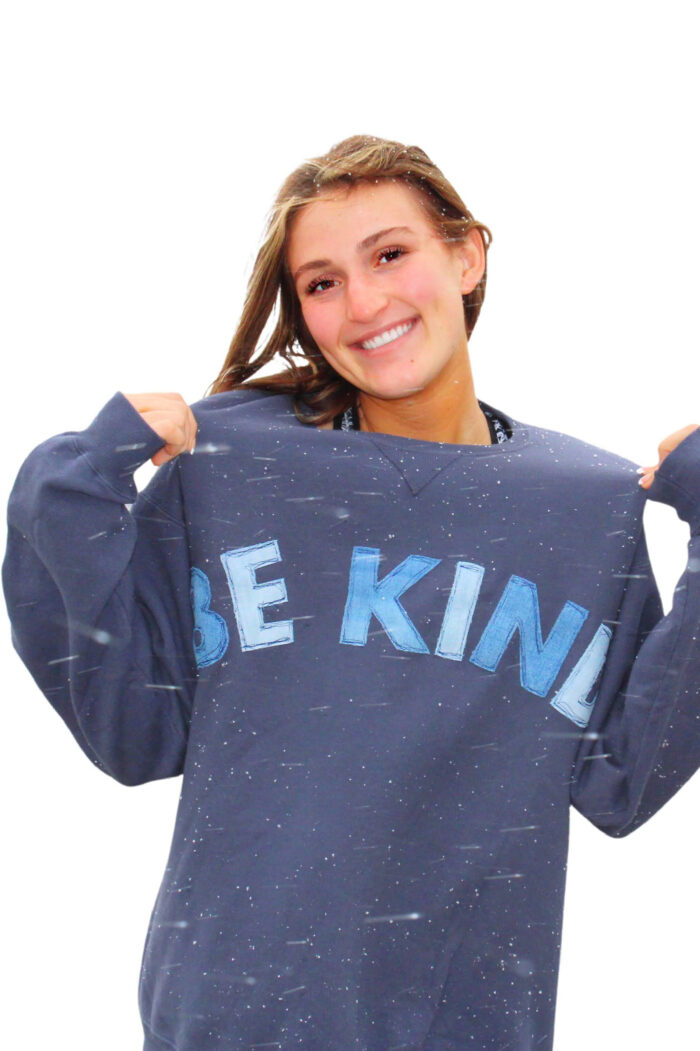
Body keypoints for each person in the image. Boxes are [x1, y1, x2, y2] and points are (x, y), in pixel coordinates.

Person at [3, 134, 699, 1050]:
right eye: (322, 281)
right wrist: (79, 477)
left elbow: (626, 778)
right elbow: (132, 730)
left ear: (466, 254)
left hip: (468, 1027)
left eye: (390, 254)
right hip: (226, 1021)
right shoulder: (231, 469)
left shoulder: (579, 511)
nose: (364, 302)